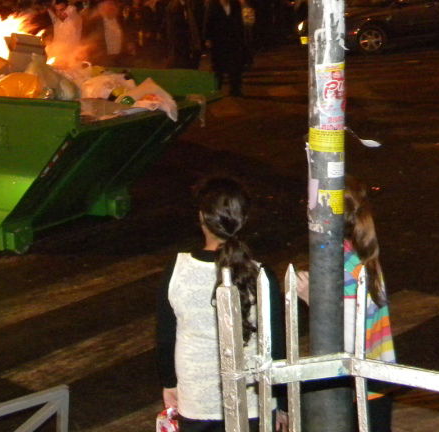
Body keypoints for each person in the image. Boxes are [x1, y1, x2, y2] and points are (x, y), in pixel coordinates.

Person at [157, 177, 287, 431]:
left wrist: (169, 383)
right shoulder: (261, 275)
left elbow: (165, 336)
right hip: (252, 402)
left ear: (202, 218)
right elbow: (277, 345)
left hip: (197, 398)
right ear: (243, 220)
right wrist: (281, 402)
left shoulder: (178, 269)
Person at [297, 178, 395, 432]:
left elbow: (349, 344)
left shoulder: (340, 265)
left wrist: (312, 300)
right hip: (378, 380)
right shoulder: (363, 253)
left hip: (357, 393)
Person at [204, 0, 247, 97]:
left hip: (234, 39)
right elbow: (208, 22)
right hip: (218, 40)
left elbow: (239, 22)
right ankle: (216, 89)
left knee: (236, 66)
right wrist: (208, 38)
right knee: (218, 66)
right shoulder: (213, 4)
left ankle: (235, 89)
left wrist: (242, 37)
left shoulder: (235, 4)